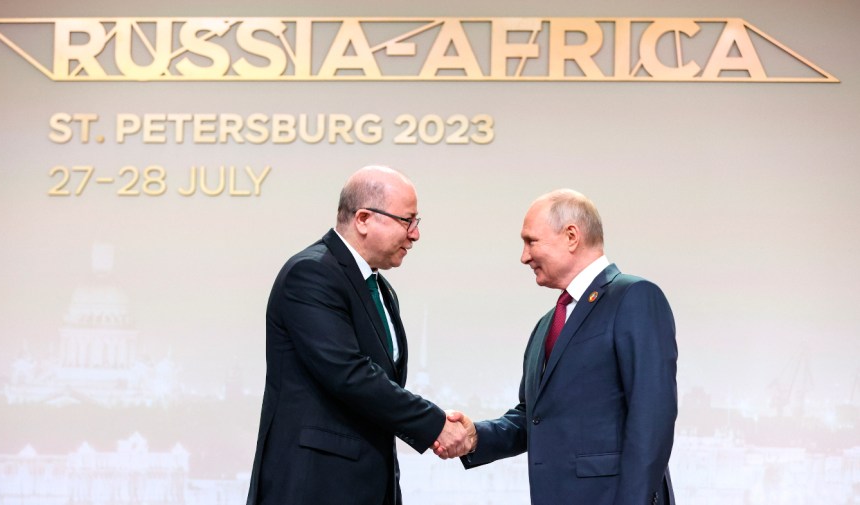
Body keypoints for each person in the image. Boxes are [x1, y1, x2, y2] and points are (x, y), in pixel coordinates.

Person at [245, 166, 469, 505]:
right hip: (314, 486)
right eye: (407, 221)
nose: (415, 235)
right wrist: (436, 424)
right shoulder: (311, 273)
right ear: (363, 218)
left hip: (367, 486)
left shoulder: (381, 289)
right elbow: (350, 374)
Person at [441, 189, 678, 505]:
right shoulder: (547, 324)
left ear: (571, 236)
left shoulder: (634, 297)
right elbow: (534, 417)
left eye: (531, 241)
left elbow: (653, 416)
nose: (524, 256)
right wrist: (475, 437)